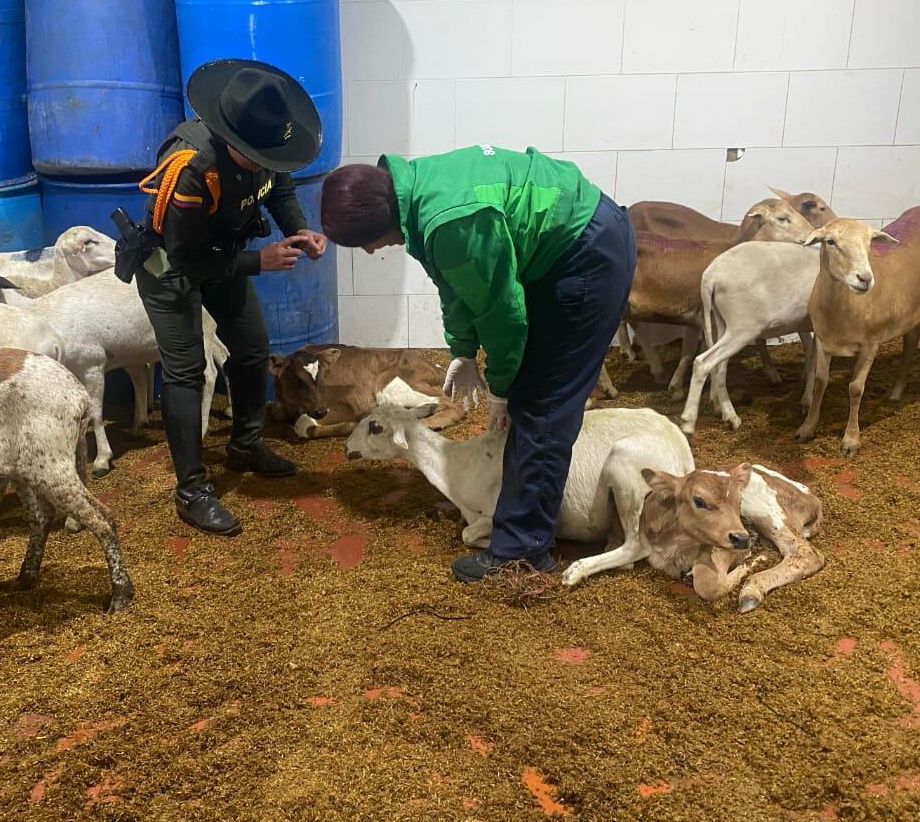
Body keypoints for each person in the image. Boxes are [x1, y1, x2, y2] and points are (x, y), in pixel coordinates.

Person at [319, 145, 635, 582]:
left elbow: (505, 315)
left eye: (366, 243)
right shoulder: (412, 191)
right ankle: (516, 503)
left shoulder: (452, 221)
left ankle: (523, 549)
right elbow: (454, 285)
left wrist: (500, 387)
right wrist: (463, 350)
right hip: (566, 243)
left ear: (379, 224)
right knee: (530, 392)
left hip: (585, 254)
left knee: (543, 403)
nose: (372, 252)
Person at [133, 59, 327, 537]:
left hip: (225, 255)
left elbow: (277, 183)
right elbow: (184, 258)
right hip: (171, 267)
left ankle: (245, 446)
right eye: (255, 155)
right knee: (186, 371)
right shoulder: (190, 169)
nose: (265, 163)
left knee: (253, 349)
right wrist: (258, 263)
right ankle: (191, 490)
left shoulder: (266, 147)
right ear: (231, 139)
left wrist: (297, 227)